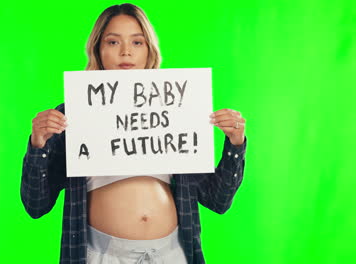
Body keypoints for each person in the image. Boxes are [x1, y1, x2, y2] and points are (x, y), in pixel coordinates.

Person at [21, 3, 246, 264]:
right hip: (101, 255)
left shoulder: (179, 109)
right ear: (98, 49)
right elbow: (36, 205)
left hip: (173, 253)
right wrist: (38, 145)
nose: (126, 52)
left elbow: (218, 201)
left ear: (150, 49)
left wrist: (235, 144)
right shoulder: (72, 115)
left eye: (137, 42)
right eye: (113, 42)